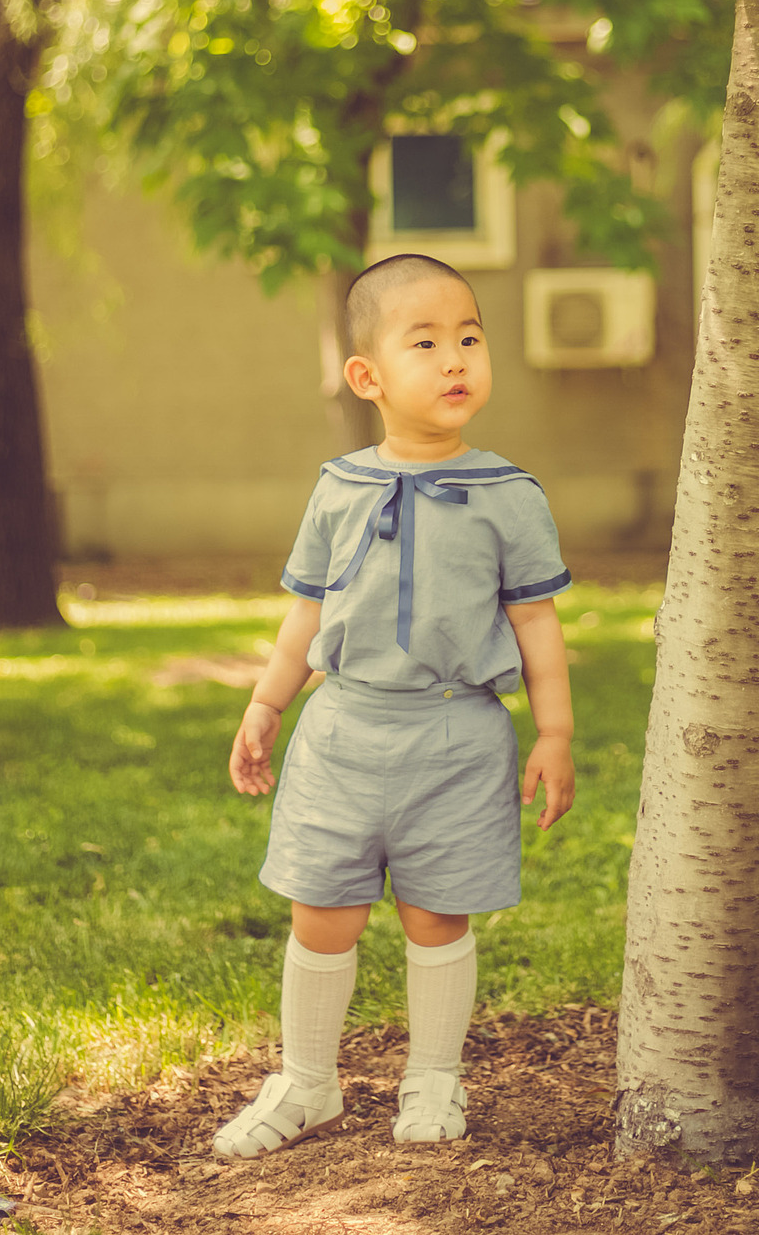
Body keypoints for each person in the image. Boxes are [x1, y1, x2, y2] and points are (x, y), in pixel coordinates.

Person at [214, 252, 575, 1158]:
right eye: (427, 342)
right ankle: (307, 1081)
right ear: (367, 376)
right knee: (320, 909)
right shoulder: (339, 486)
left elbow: (535, 623)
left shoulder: (508, 495)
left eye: (469, 337)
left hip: (456, 735)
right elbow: (307, 613)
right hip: (342, 733)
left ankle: (436, 1077)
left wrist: (556, 730)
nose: (456, 358)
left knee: (435, 912)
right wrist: (266, 703)